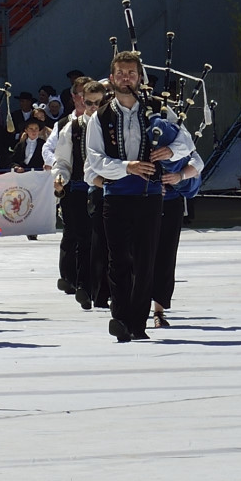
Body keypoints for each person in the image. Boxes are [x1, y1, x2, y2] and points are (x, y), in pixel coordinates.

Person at [85, 51, 191, 342]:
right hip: (116, 195)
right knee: (118, 259)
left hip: (150, 196)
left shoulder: (159, 109)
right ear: (111, 78)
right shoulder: (101, 116)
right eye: (120, 73)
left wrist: (171, 151)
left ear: (139, 77)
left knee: (145, 261)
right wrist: (126, 167)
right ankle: (120, 318)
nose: (126, 78)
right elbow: (94, 159)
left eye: (131, 73)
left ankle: (138, 322)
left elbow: (186, 143)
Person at [52, 79, 104, 310]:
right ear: (82, 101)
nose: (93, 107)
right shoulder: (71, 127)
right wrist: (59, 177)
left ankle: (101, 289)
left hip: (106, 190)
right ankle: (83, 286)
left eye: (98, 103)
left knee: (104, 241)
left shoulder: (110, 125)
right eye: (89, 103)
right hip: (79, 190)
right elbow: (62, 161)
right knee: (82, 238)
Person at [151, 127, 204, 329]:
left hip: (170, 202)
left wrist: (179, 176)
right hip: (138, 201)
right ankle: (132, 305)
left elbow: (197, 161)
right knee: (135, 256)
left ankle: (158, 310)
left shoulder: (173, 130)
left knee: (165, 256)